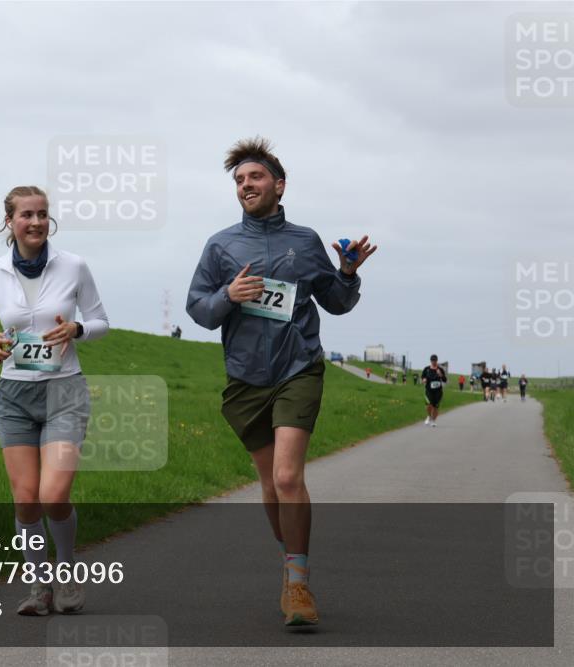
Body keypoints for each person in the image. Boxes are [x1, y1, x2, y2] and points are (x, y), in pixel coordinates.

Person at [186, 136, 376, 627]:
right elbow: (199, 311)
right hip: (246, 379)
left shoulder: (304, 241)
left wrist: (348, 273)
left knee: (289, 477)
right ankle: (290, 558)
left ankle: (298, 584)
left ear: (279, 184)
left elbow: (335, 301)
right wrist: (228, 294)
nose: (245, 185)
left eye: (255, 177)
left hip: (299, 368)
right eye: (239, 181)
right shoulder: (221, 245)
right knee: (270, 485)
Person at [0, 185, 109, 615]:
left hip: (65, 390)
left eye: (43, 214)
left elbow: (101, 321)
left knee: (53, 494)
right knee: (26, 498)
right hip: (15, 395)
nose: (37, 222)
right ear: (10, 221)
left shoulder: (73, 267)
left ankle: (66, 574)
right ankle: (38, 588)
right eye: (27, 215)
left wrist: (77, 330)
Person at [422, 355, 447, 426]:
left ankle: (433, 421)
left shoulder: (440, 369)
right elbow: (423, 377)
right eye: (432, 360)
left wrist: (441, 375)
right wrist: (424, 380)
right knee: (429, 404)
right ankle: (429, 416)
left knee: (436, 406)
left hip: (438, 391)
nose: (434, 362)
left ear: (437, 361)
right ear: (430, 361)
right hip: (429, 390)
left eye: (435, 360)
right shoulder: (426, 369)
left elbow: (445, 380)